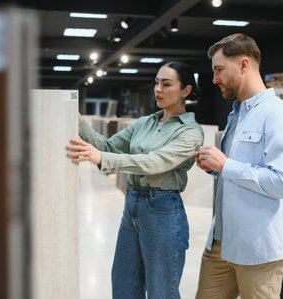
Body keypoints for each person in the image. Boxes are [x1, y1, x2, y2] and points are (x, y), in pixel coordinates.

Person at [67, 62, 204, 299]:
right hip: (132, 205)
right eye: (156, 82)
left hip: (163, 211)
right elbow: (109, 146)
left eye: (167, 84)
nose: (158, 89)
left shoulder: (191, 132)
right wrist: (81, 124)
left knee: (162, 292)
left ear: (186, 91)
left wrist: (102, 158)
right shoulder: (145, 123)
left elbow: (154, 162)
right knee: (124, 286)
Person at [194, 33, 283, 299]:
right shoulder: (237, 113)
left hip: (258, 250)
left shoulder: (280, 115)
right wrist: (215, 168)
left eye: (219, 69)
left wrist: (226, 166)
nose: (214, 79)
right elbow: (240, 170)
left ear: (244, 65)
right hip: (220, 242)